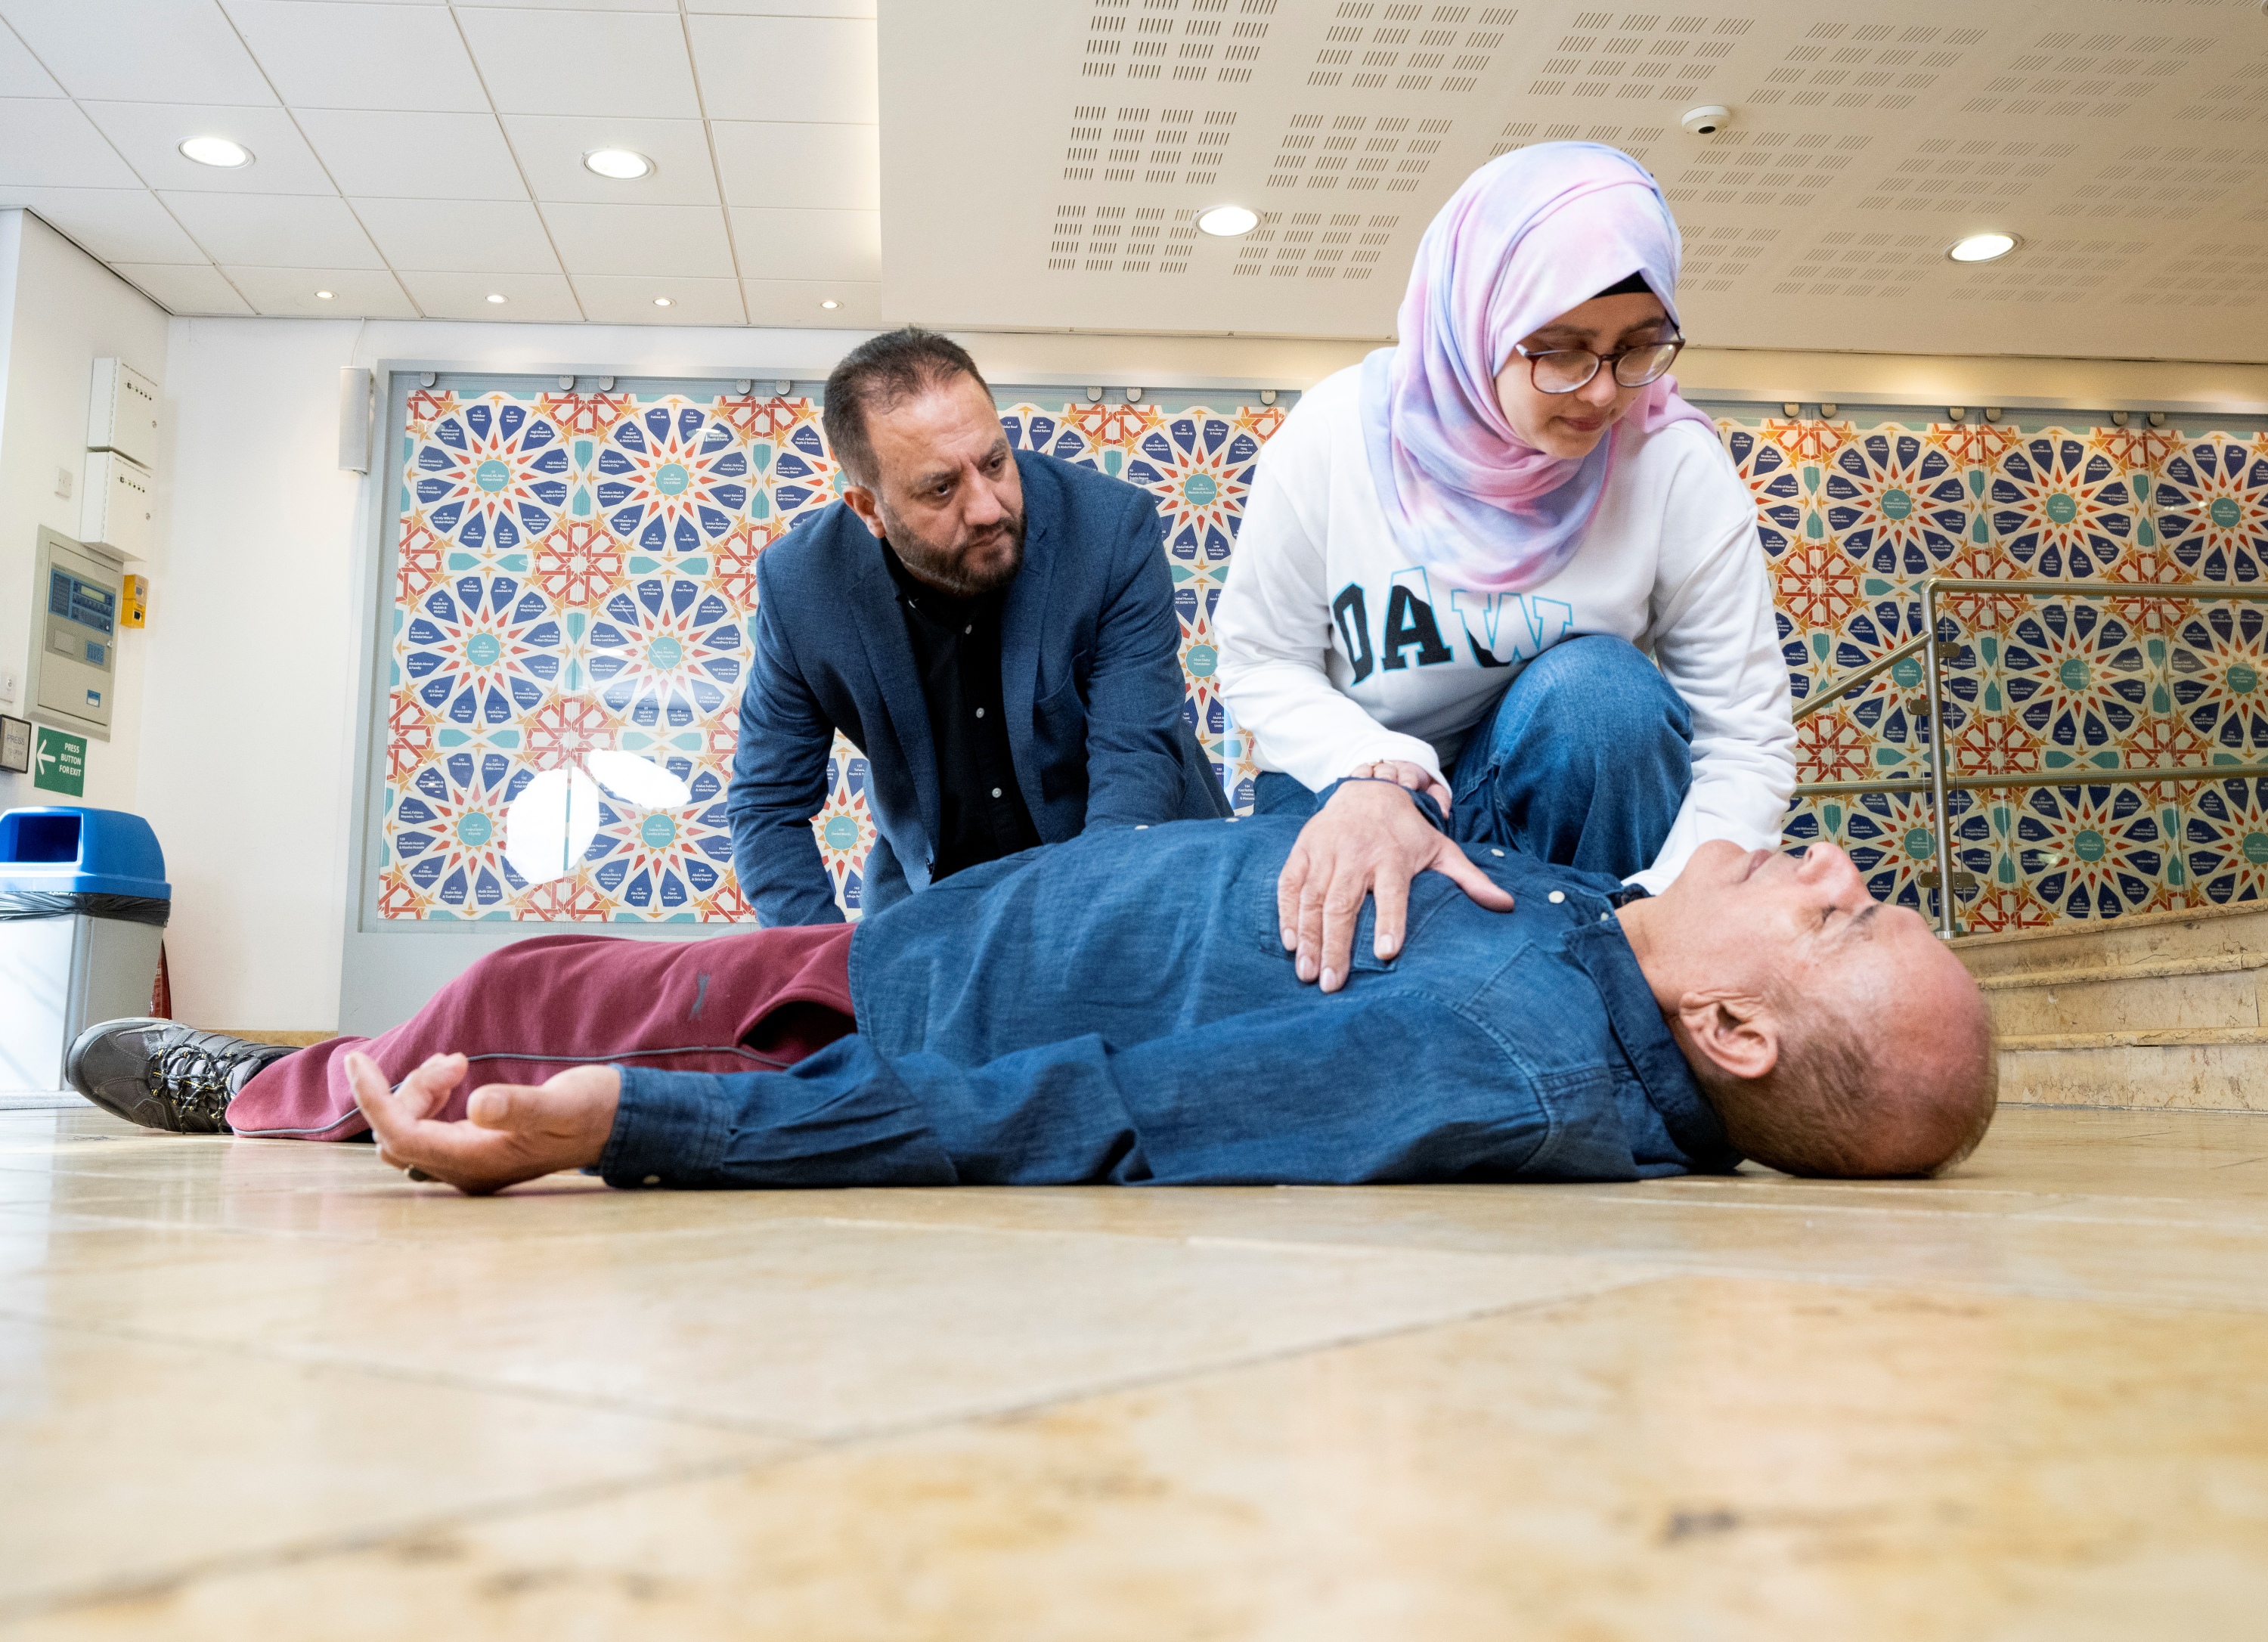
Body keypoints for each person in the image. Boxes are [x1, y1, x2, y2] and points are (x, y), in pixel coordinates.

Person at [67, 788, 1996, 1192]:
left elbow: (1092, 1114)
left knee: (518, 994)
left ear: (1732, 1038)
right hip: (951, 924)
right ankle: (301, 1052)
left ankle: (264, 1089)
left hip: (901, 1006)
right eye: (1861, 884)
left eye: (1845, 920)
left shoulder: (1510, 1061)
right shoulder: (1606, 927)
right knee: (554, 974)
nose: (1830, 864)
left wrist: (634, 1128)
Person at [1214, 142, 1797, 996]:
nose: (1603, 393)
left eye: (1638, 348)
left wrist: (1660, 912)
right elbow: (1261, 659)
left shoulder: (1672, 464)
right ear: (1477, 319)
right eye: (1560, 350)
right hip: (1356, 785)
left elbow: (1743, 739)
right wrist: (1376, 771)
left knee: (1602, 695)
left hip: (1565, 798)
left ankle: (1598, 989)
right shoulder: (1337, 433)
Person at [729, 327, 1228, 925]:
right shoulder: (801, 586)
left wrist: (1090, 945)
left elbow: (1136, 758)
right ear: (869, 510)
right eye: (941, 488)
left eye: (995, 462)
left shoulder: (1110, 529)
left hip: (1137, 876)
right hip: (939, 900)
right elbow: (768, 805)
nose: (989, 507)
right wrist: (820, 973)